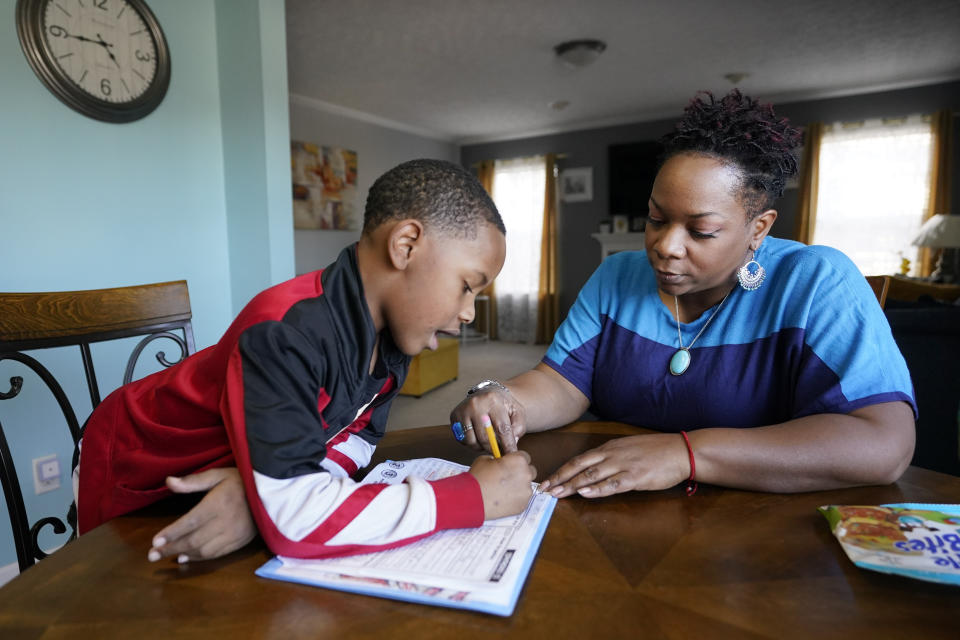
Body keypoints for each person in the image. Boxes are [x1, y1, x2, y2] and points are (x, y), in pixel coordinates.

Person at [451, 89, 916, 499]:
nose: (665, 247)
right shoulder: (616, 275)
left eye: (702, 230)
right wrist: (503, 396)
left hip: (761, 539)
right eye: (656, 218)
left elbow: (883, 445)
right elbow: (562, 383)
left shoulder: (818, 282)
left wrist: (686, 453)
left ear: (759, 228)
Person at [76, 159, 536, 562]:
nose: (470, 312)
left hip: (240, 466)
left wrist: (259, 490)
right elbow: (295, 525)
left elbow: (356, 441)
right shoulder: (284, 330)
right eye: (467, 285)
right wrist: (473, 496)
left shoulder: (395, 339)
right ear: (406, 245)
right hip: (134, 465)